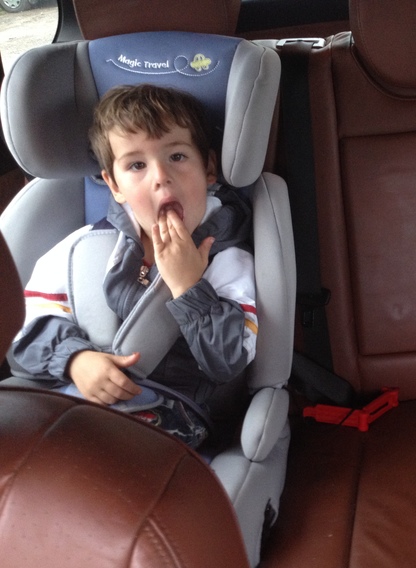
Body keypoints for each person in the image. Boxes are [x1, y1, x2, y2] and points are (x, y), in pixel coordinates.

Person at [12, 84, 258, 448]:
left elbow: (228, 360)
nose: (160, 176)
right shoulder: (88, 248)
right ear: (114, 185)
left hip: (176, 413)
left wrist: (189, 288)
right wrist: (75, 359)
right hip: (78, 397)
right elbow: (22, 326)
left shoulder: (226, 259)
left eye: (177, 156)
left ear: (208, 167)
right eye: (136, 165)